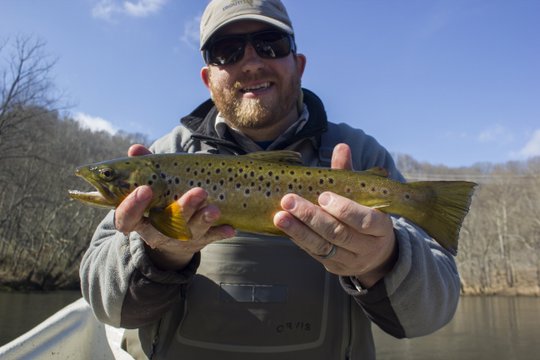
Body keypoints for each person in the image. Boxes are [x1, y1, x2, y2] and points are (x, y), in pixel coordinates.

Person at [80, 0, 460, 359]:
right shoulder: (165, 155)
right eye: (227, 51)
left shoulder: (358, 153)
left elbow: (431, 314)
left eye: (269, 44)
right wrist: (159, 254)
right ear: (207, 78)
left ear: (299, 64)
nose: (251, 63)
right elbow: (106, 305)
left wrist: (383, 260)